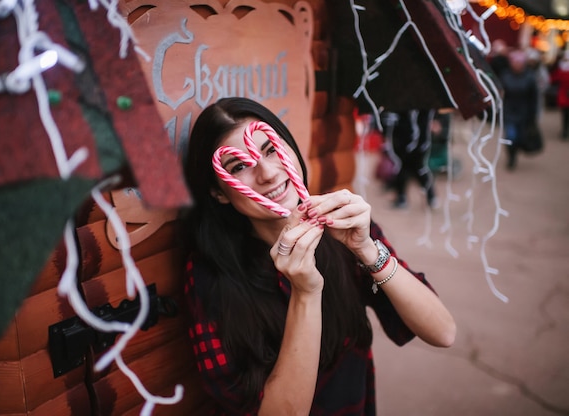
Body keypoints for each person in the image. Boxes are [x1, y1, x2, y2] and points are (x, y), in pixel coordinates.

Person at [180, 97, 456, 415]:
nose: (268, 173)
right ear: (218, 192)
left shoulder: (344, 230)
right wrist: (306, 292)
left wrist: (367, 250)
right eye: (239, 166)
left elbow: (443, 332)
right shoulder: (208, 277)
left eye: (271, 149)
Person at [381, 109, 438, 209]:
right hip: (401, 138)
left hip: (419, 139)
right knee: (403, 167)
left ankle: (429, 196)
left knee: (416, 167)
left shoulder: (422, 101)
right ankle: (403, 197)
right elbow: (386, 116)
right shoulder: (396, 102)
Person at [500, 49, 539, 169]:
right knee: (510, 136)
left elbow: (534, 98)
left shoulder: (530, 78)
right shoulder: (505, 76)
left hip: (524, 113)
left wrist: (533, 115)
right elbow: (501, 94)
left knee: (520, 137)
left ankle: (515, 152)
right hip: (509, 112)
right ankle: (511, 157)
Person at [551, 52, 569, 140]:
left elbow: (553, 78)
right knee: (565, 114)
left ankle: (565, 130)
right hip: (564, 94)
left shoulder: (562, 68)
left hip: (564, 93)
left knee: (565, 114)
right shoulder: (562, 68)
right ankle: (565, 130)